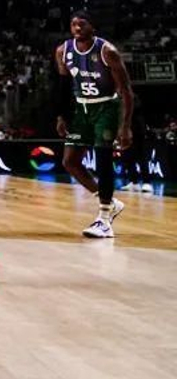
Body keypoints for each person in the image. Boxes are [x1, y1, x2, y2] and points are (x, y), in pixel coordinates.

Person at [54, 12, 135, 238]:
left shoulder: (107, 51)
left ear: (93, 26)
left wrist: (125, 125)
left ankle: (104, 219)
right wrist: (61, 116)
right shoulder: (63, 50)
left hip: (106, 108)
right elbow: (63, 85)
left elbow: (126, 90)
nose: (77, 27)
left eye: (82, 23)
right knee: (69, 161)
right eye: (73, 24)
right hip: (81, 109)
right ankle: (110, 201)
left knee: (103, 160)